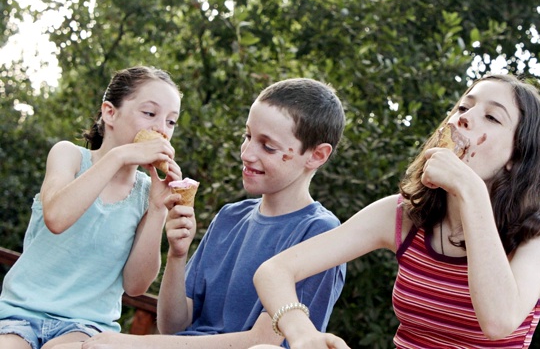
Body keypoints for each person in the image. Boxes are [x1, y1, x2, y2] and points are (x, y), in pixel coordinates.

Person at [251, 74, 540, 349]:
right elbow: (274, 271)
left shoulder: (539, 237)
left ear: (517, 156)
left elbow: (499, 322)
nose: (462, 117)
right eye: (464, 106)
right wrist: (302, 332)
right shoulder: (403, 217)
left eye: (492, 117)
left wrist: (471, 191)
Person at [74, 78, 347, 349]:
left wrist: (132, 345)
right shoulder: (230, 217)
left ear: (316, 155)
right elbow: (173, 326)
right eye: (248, 136)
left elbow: (262, 341)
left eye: (268, 146)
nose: (247, 153)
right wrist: (177, 255)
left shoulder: (321, 235)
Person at [0, 66, 183, 349]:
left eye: (171, 122)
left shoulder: (147, 193)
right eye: (149, 114)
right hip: (19, 314)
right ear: (109, 112)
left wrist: (159, 208)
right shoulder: (69, 156)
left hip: (85, 327)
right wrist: (120, 156)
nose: (161, 129)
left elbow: (135, 285)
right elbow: (57, 218)